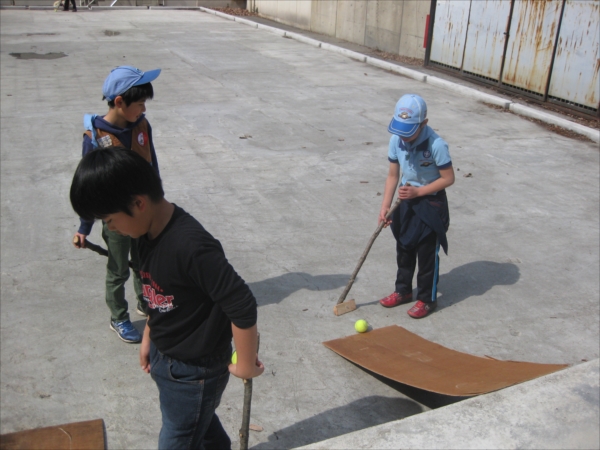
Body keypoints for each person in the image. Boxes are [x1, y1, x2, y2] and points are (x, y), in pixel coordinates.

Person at [70, 147, 265, 449]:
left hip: (196, 371)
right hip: (168, 358)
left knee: (178, 435)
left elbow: (241, 303)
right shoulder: (144, 234)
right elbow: (158, 291)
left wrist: (246, 363)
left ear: (138, 203)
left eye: (109, 220)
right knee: (196, 422)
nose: (111, 229)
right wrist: (150, 335)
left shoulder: (191, 247)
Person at [72, 66, 161, 343]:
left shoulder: (142, 126)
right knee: (119, 268)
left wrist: (158, 203)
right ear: (119, 102)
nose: (143, 110)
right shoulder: (96, 137)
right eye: (139, 104)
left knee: (144, 262)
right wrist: (84, 227)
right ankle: (118, 316)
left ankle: (144, 302)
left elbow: (152, 167)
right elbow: (90, 186)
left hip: (144, 215)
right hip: (118, 222)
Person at [378, 94, 455, 319]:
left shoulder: (436, 145)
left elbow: (448, 178)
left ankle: (426, 299)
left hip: (430, 204)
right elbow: (393, 176)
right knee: (404, 249)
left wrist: (419, 191)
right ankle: (402, 291)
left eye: (409, 130)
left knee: (426, 254)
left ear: (424, 123)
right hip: (405, 202)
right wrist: (385, 207)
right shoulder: (396, 140)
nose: (404, 136)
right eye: (400, 129)